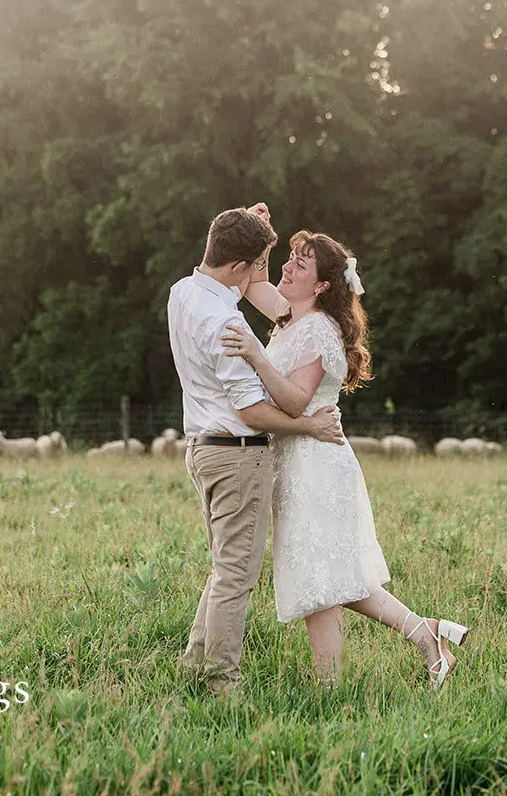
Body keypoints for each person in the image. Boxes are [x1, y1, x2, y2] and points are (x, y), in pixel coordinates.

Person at [222, 213, 471, 687]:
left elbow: (295, 401)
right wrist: (263, 235)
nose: (289, 266)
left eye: (302, 262)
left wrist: (255, 354)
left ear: (320, 287)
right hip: (295, 460)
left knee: (321, 581)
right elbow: (252, 278)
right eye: (291, 257)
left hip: (315, 463)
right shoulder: (289, 317)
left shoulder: (316, 330)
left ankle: (329, 691)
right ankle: (427, 635)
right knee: (329, 575)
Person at [168, 206, 348, 695]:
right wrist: (309, 425)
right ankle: (220, 683)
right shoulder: (228, 324)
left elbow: (239, 273)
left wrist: (251, 234)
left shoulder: (182, 293)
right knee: (235, 577)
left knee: (223, 567)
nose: (282, 269)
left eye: (297, 263)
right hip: (238, 453)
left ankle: (193, 664)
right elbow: (251, 411)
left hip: (202, 450)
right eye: (269, 261)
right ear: (239, 267)